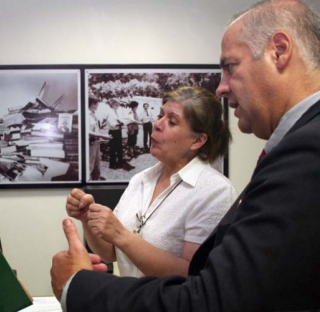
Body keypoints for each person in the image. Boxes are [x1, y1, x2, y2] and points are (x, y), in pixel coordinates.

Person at [51, 0, 320, 311]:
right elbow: (111, 253)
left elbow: (206, 291)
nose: (221, 87)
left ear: (279, 51)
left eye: (229, 66)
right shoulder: (142, 178)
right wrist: (91, 222)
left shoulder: (304, 150)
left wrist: (79, 284)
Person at [66, 86, 236, 279]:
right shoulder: (141, 179)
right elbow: (110, 252)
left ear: (197, 141)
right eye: (160, 115)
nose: (157, 124)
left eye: (171, 121)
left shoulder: (215, 192)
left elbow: (193, 275)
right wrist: (88, 218)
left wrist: (121, 235)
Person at [106, 99, 134, 171]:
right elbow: (111, 123)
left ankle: (120, 162)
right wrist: (120, 123)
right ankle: (112, 164)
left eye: (118, 105)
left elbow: (120, 119)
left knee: (119, 147)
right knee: (113, 148)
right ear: (112, 104)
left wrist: (122, 122)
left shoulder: (116, 112)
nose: (117, 106)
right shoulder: (110, 112)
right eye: (116, 105)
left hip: (118, 131)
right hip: (113, 131)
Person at [88, 95, 107, 181]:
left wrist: (102, 127)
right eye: (97, 104)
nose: (98, 106)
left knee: (97, 164)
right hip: (90, 143)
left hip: (96, 142)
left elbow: (95, 128)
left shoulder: (93, 114)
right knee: (90, 165)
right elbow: (87, 131)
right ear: (92, 104)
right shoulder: (86, 115)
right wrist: (102, 136)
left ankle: (96, 181)